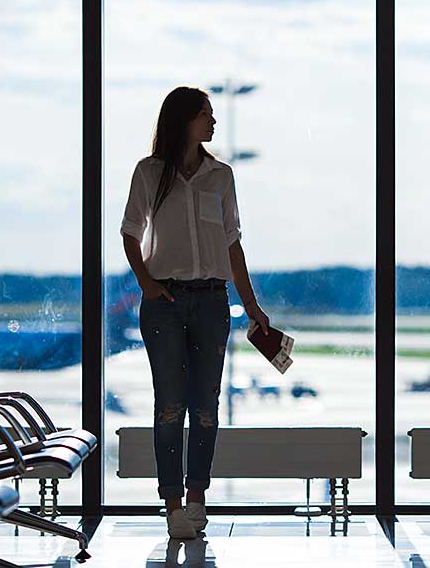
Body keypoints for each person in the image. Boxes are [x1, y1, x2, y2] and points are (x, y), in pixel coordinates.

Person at [121, 86, 270, 539]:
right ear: (184, 119)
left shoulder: (220, 176)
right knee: (170, 406)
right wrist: (146, 283)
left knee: (205, 407)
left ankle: (196, 497)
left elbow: (232, 243)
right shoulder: (149, 173)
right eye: (206, 114)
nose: (213, 122)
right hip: (164, 303)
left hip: (211, 301)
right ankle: (171, 505)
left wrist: (252, 306)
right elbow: (130, 232)